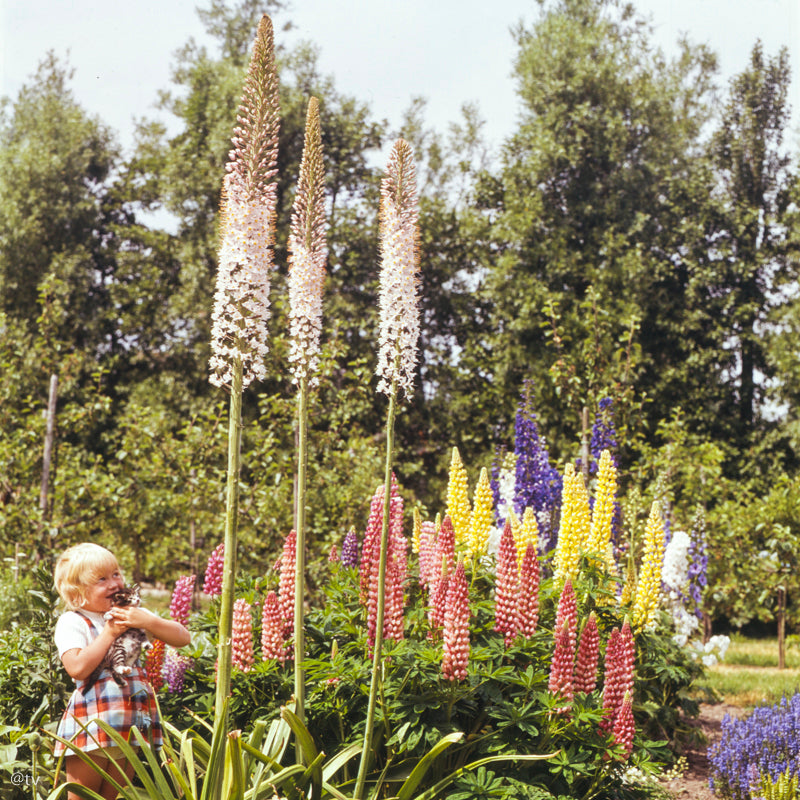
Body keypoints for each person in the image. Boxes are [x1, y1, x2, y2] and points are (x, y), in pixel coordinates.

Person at [53, 543, 191, 800]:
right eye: (101, 579)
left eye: (116, 573)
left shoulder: (134, 615)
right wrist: (109, 632)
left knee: (111, 796)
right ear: (77, 593)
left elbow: (183, 637)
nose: (114, 582)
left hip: (131, 724)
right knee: (82, 796)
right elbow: (77, 667)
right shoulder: (73, 621)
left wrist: (148, 621)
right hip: (91, 724)